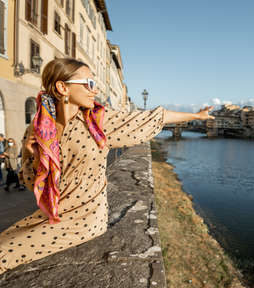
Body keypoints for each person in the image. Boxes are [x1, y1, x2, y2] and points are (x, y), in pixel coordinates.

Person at [0, 58, 214, 274]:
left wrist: (196, 116)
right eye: (89, 84)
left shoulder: (99, 122)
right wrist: (31, 155)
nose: (95, 90)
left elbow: (153, 117)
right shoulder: (39, 129)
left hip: (86, 218)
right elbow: (32, 184)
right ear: (62, 87)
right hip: (53, 214)